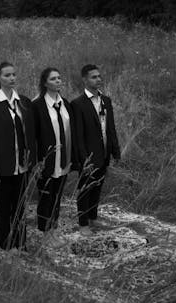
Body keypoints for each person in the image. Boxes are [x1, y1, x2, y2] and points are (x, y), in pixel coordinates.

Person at [0, 61, 36, 250]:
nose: (12, 78)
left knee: (20, 208)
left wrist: (33, 161)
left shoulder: (25, 102)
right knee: (3, 210)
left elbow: (31, 133)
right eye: (7, 75)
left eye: (14, 75)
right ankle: (4, 246)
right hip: (2, 168)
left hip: (23, 166)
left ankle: (21, 244)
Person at [32, 67, 79, 248]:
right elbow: (33, 137)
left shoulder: (65, 103)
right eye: (53, 79)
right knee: (46, 197)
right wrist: (36, 162)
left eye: (59, 78)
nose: (58, 81)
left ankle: (54, 230)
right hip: (47, 161)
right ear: (45, 83)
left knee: (58, 196)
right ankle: (45, 233)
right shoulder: (37, 106)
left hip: (63, 159)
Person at [71, 64, 121, 236]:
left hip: (104, 152)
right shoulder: (77, 104)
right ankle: (83, 223)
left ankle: (93, 217)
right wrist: (84, 158)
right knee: (85, 189)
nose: (98, 79)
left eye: (99, 76)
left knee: (97, 186)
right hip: (89, 155)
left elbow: (111, 127)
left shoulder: (106, 100)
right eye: (94, 77)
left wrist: (115, 151)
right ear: (84, 80)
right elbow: (78, 135)